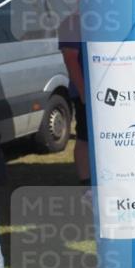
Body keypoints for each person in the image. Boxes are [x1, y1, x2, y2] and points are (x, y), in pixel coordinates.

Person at [57, 11, 89, 186]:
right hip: (85, 93)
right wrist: (84, 92)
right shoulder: (72, 23)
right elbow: (70, 59)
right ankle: (87, 185)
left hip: (109, 92)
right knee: (85, 137)